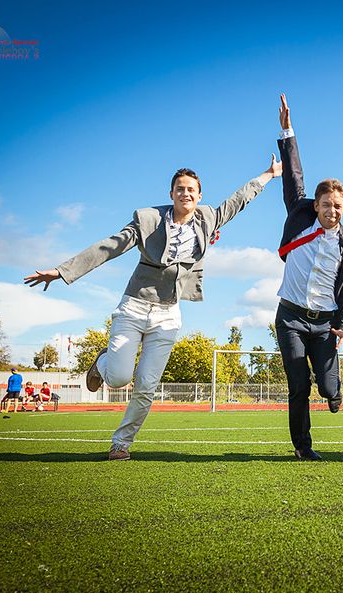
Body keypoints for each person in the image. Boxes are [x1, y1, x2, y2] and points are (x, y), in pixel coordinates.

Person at [24, 157, 282, 460]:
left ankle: (121, 442)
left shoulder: (208, 218)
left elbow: (239, 200)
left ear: (200, 196)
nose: (185, 194)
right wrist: (62, 271)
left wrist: (268, 174)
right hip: (134, 306)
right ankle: (103, 363)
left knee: (146, 385)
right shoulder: (148, 220)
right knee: (119, 378)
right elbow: (110, 246)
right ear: (171, 194)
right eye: (179, 189)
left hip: (168, 313)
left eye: (191, 190)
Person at [274, 94, 343, 461]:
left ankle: (335, 391)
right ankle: (303, 447)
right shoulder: (300, 217)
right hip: (291, 318)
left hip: (326, 325)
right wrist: (287, 131)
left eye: (337, 206)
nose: (331, 210)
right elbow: (294, 176)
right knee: (299, 385)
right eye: (325, 204)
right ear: (316, 206)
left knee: (326, 388)